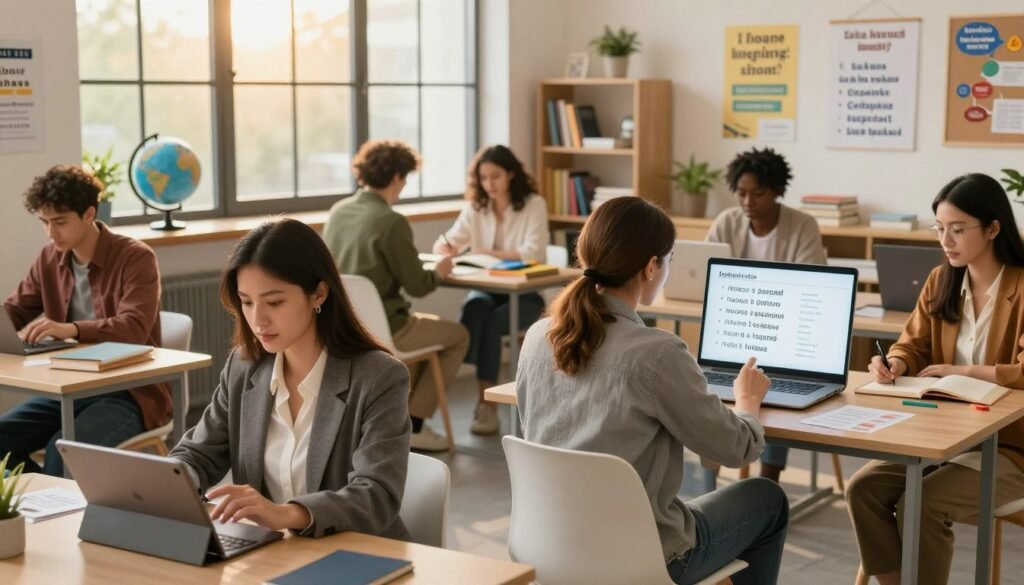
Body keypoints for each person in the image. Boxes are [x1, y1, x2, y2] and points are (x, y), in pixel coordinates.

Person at [517, 197, 789, 585]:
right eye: (668, 259)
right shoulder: (658, 354)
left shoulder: (538, 336)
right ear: (650, 267)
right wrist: (747, 403)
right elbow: (734, 449)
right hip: (642, 558)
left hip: (548, 547)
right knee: (766, 499)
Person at [169, 219, 411, 538]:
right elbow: (198, 453)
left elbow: (376, 495)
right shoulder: (244, 367)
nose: (258, 319)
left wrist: (286, 514)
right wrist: (176, 479)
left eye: (274, 302)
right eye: (246, 302)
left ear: (319, 294)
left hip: (358, 553)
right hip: (276, 552)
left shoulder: (379, 377)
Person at [847, 173, 1024, 585]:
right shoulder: (941, 280)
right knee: (863, 489)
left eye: (958, 230)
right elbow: (912, 345)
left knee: (922, 501)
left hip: (1011, 446)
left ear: (993, 229)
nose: (946, 240)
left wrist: (962, 371)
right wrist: (895, 363)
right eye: (940, 228)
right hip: (944, 435)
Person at [0, 165, 167, 476]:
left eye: (60, 222)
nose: (51, 233)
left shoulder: (136, 257)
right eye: (45, 222)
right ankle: (38, 497)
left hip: (129, 393)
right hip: (69, 390)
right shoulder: (49, 258)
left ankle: (53, 500)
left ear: (89, 214)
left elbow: (133, 327)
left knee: (62, 451)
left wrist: (72, 329)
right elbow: (15, 310)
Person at [322, 140, 469, 453]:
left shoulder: (338, 212)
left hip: (343, 324)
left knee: (421, 342)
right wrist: (441, 270)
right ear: (397, 177)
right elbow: (418, 286)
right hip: (388, 327)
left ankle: (398, 420)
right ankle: (414, 423)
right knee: (458, 336)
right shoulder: (391, 221)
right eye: (405, 179)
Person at [706, 147, 826, 482]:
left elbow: (812, 281)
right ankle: (709, 476)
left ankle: (769, 477)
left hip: (782, 333)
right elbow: (707, 274)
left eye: (757, 193)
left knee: (775, 386)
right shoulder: (727, 222)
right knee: (707, 385)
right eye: (741, 193)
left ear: (776, 190)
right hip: (734, 330)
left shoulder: (801, 225)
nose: (748, 201)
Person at [434, 145, 549, 435]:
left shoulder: (533, 204)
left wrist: (486, 252)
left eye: (495, 176)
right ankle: (487, 405)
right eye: (483, 178)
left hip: (526, 294)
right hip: (488, 290)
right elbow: (449, 241)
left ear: (511, 174)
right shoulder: (476, 207)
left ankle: (487, 405)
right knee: (476, 308)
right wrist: (445, 247)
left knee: (488, 325)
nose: (489, 184)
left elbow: (533, 252)